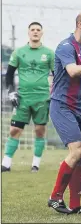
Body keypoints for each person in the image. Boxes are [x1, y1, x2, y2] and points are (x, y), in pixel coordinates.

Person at [47, 12, 81, 215]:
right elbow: (72, 71)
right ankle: (54, 197)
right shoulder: (65, 46)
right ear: (80, 25)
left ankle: (76, 205)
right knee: (76, 151)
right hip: (62, 106)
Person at [2, 22, 54, 173]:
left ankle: (35, 164)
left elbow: (57, 75)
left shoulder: (49, 53)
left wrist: (54, 93)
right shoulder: (19, 52)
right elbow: (10, 74)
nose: (35, 32)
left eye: (38, 30)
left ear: (42, 33)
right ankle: (6, 163)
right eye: (33, 30)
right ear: (28, 32)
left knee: (39, 130)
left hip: (42, 98)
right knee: (14, 130)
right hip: (22, 99)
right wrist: (11, 92)